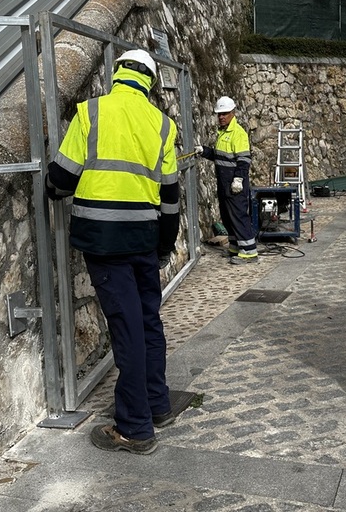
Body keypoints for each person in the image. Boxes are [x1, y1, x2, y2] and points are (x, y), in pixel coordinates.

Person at [46, 49, 180, 455]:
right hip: (144, 239)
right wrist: (165, 245)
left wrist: (53, 189)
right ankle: (157, 404)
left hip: (104, 242)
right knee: (147, 321)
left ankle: (135, 428)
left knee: (125, 328)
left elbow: (60, 177)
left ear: (116, 73)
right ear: (151, 82)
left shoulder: (91, 113)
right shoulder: (163, 125)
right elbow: (170, 198)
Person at [199, 96, 257, 263]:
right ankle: (235, 247)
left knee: (238, 216)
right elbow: (220, 157)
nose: (221, 117)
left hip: (234, 185)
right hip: (224, 184)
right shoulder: (223, 133)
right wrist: (203, 150)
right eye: (219, 114)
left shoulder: (238, 134)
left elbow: (244, 160)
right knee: (227, 217)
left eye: (224, 114)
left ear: (232, 113)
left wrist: (238, 179)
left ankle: (249, 252)